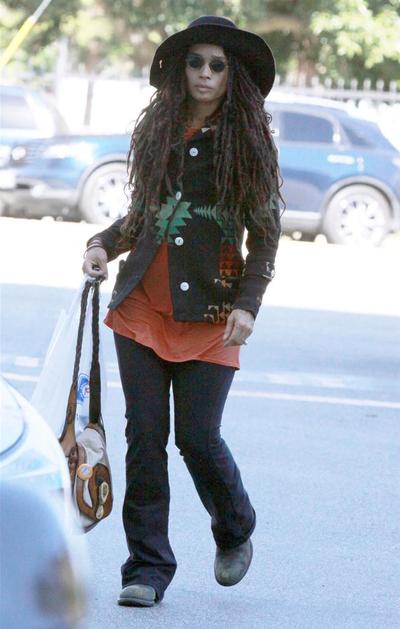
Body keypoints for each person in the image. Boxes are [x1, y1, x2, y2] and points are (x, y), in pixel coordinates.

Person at [83, 15, 282, 608]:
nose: (205, 73)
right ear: (180, 71)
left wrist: (248, 305)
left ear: (233, 75)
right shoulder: (161, 131)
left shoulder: (247, 144)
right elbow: (144, 214)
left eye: (217, 65)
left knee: (197, 437)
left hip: (214, 314)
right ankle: (146, 568)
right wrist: (102, 244)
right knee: (145, 438)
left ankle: (234, 526)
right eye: (195, 62)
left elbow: (265, 237)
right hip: (142, 309)